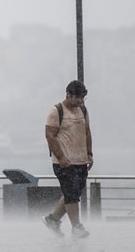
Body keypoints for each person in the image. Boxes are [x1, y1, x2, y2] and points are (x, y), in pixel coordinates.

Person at [42, 80, 93, 238]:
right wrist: (61, 157)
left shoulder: (83, 110)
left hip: (81, 160)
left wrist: (89, 154)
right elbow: (49, 136)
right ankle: (77, 227)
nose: (80, 101)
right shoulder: (56, 111)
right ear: (68, 94)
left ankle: (52, 219)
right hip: (63, 162)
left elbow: (87, 132)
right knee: (71, 194)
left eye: (82, 98)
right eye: (77, 98)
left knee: (74, 192)